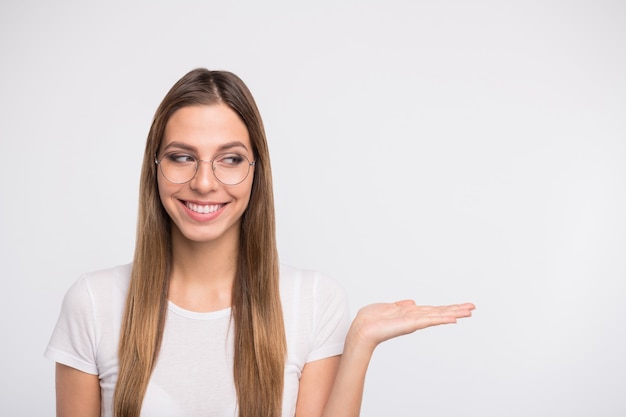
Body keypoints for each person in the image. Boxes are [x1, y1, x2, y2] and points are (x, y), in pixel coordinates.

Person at [45, 68, 475, 417]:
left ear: (257, 171)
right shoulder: (94, 302)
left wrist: (359, 342)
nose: (204, 182)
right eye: (182, 157)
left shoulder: (313, 301)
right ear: (155, 167)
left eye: (230, 159)